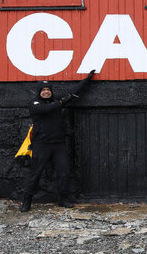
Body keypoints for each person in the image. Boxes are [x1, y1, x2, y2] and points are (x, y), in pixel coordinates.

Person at [20, 70, 95, 212]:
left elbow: (72, 92)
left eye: (48, 89)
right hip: (41, 144)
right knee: (35, 173)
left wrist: (86, 80)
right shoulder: (35, 103)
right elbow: (45, 109)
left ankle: (63, 199)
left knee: (64, 171)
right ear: (39, 92)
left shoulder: (56, 101)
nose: (46, 92)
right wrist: (61, 102)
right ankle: (26, 201)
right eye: (43, 90)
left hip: (58, 144)